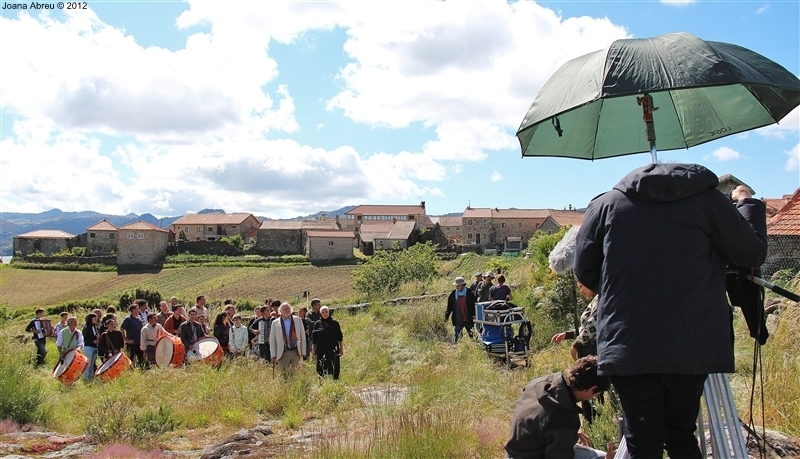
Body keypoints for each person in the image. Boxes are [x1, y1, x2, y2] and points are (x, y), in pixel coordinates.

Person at [574, 163, 767, 459]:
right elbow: (751, 252)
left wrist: (627, 285)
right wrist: (746, 203)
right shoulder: (710, 202)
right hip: (692, 344)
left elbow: (585, 271)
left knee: (642, 443)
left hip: (629, 343)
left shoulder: (605, 205)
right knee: (681, 436)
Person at [505, 356, 611, 459]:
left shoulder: (541, 382)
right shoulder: (564, 417)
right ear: (592, 389)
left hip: (516, 451)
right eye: (595, 394)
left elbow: (540, 420)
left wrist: (566, 434)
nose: (591, 398)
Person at [552, 281, 601, 423]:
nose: (580, 291)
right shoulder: (596, 299)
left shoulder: (602, 299)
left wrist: (577, 344)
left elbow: (593, 326)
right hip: (589, 352)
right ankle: (592, 420)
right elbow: (586, 327)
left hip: (595, 352)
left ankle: (596, 421)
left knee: (591, 388)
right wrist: (567, 335)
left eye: (581, 287)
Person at [270, 302, 307, 376]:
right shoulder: (275, 323)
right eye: (285, 308)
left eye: (288, 308)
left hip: (295, 351)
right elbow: (272, 340)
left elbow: (302, 336)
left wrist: (303, 351)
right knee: (284, 374)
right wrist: (273, 354)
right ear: (280, 311)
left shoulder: (298, 320)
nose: (287, 310)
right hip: (282, 352)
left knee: (295, 374)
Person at [311, 306, 344, 379]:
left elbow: (340, 337)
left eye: (326, 312)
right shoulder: (317, 324)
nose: (325, 314)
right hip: (321, 349)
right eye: (323, 312)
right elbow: (314, 338)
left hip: (333, 349)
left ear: (329, 312)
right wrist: (313, 348)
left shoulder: (335, 323)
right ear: (320, 314)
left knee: (335, 365)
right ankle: (321, 382)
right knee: (321, 367)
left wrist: (341, 348)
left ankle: (335, 381)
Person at [444, 276, 476, 344]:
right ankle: (455, 347)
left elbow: (474, 306)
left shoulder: (470, 293)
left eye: (458, 285)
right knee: (456, 336)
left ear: (463, 285)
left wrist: (475, 315)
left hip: (468, 319)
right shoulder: (453, 295)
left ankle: (473, 346)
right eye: (456, 285)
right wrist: (446, 316)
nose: (457, 287)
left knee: (472, 336)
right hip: (458, 319)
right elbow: (449, 307)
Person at [82, 313, 100, 380]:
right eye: (94, 318)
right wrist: (92, 341)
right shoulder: (86, 328)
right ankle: (86, 377)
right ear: (90, 319)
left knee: (92, 363)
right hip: (88, 347)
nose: (96, 319)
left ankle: (91, 376)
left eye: (96, 318)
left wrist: (97, 337)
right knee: (88, 363)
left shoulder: (95, 327)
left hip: (94, 347)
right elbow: (84, 339)